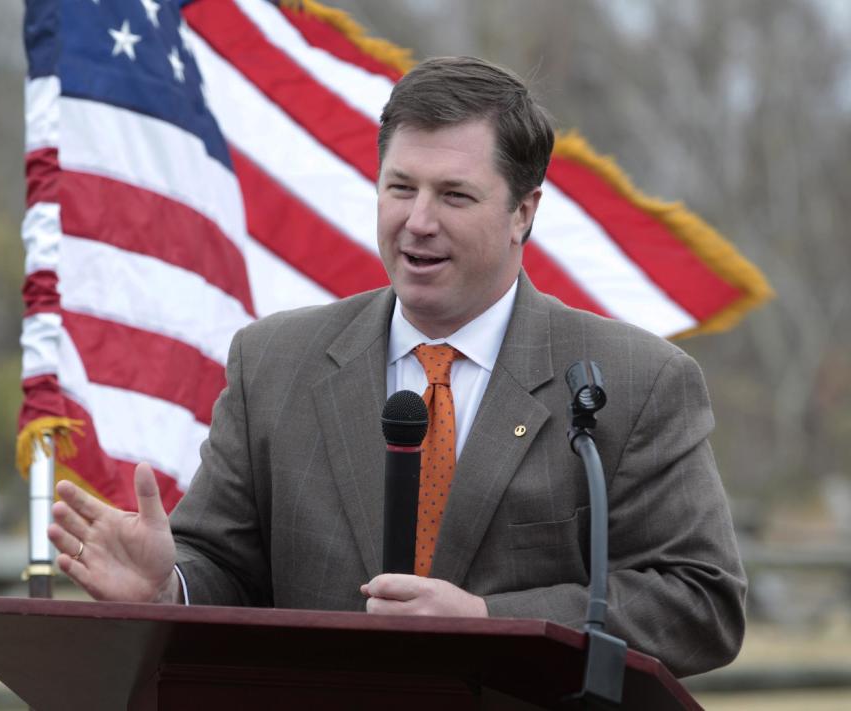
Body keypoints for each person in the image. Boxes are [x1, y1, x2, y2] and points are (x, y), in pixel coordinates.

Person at [48, 56, 746, 677]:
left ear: (523, 213)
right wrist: (168, 588)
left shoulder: (634, 379)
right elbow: (226, 568)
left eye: (455, 195)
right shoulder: (272, 363)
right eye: (400, 188)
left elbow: (701, 600)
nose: (417, 220)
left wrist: (489, 619)